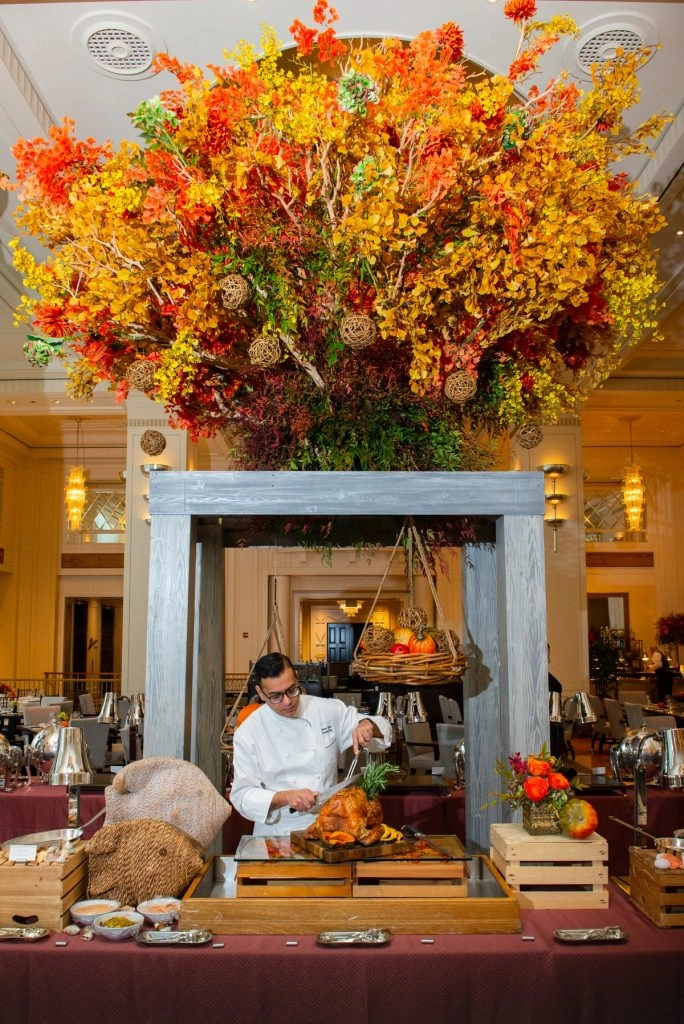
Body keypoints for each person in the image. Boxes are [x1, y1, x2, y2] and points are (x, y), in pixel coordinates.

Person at [230, 652, 392, 836]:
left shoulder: (326, 710)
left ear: (297, 678)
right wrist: (286, 797)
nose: (287, 701)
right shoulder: (249, 732)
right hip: (276, 832)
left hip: (328, 825)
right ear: (260, 693)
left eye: (292, 690)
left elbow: (384, 729)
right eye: (276, 696)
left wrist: (367, 725)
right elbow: (242, 795)